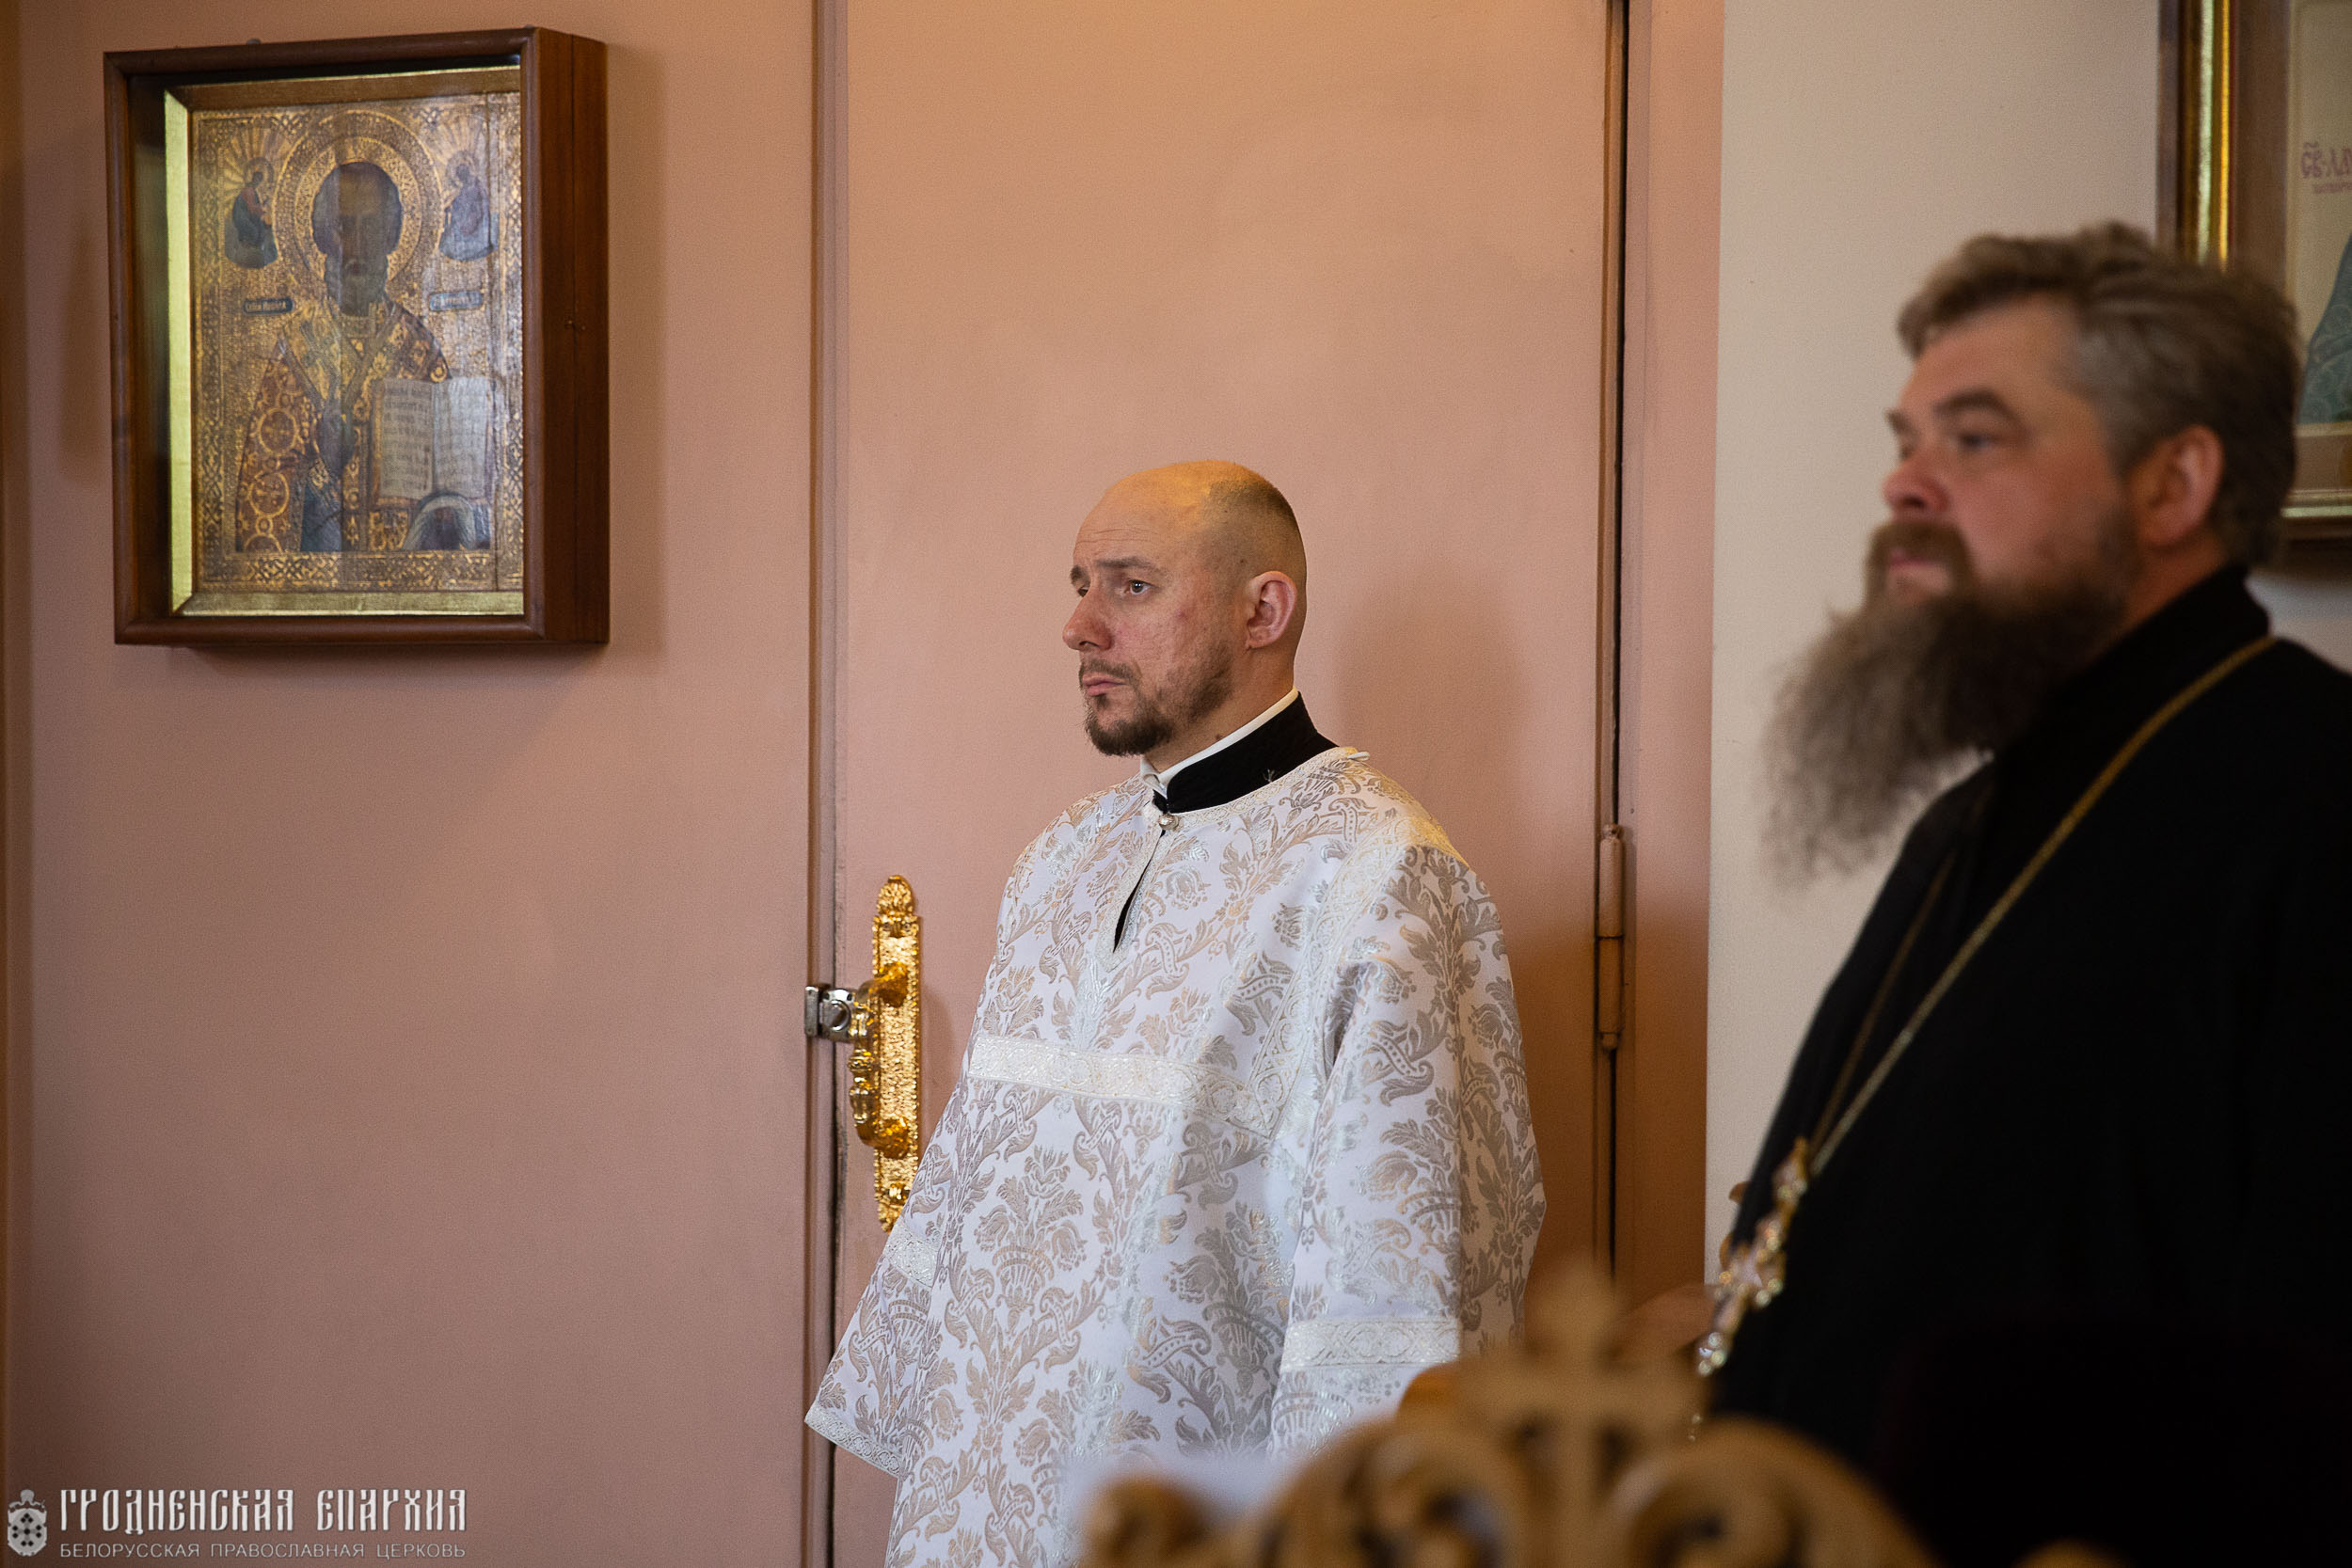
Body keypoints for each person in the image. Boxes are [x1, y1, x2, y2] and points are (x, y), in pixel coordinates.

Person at [1708, 225, 2352, 1562]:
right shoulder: (1972, 814)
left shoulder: (2317, 797)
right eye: (1908, 438)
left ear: (2172, 482)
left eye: (1975, 438)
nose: (1903, 482)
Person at [808, 460, 1544, 1568]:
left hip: (1202, 1514)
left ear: (1264, 609)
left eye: (1132, 585)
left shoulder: (1377, 877)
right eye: (1080, 584)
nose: (1080, 625)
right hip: (989, 1490)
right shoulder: (1063, 857)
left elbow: (1398, 1271)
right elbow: (979, 1179)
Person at [235, 160, 447, 553]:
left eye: (371, 227)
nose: (356, 246)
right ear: (322, 236)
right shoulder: (295, 350)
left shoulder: (419, 349)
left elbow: (452, 497)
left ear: (391, 234)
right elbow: (261, 499)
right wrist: (324, 469)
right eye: (343, 226)